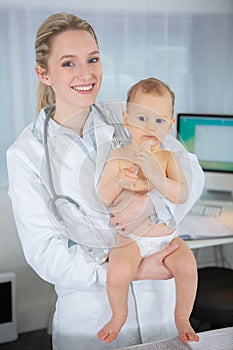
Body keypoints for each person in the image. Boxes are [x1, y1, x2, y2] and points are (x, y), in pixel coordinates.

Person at [6, 12, 205, 350]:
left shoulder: (128, 117)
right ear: (44, 73)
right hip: (91, 318)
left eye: (92, 59)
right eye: (68, 63)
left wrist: (152, 201)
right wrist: (131, 271)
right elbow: (44, 252)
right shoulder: (26, 152)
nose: (86, 74)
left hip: (161, 306)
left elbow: (190, 171)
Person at [97, 77, 199, 344]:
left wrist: (157, 177)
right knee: (117, 272)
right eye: (142, 119)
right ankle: (118, 315)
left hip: (166, 238)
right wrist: (118, 182)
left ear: (170, 124)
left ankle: (182, 317)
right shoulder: (118, 156)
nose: (150, 128)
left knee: (188, 267)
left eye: (159, 121)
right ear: (126, 118)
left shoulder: (168, 158)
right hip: (131, 239)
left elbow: (182, 195)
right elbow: (103, 195)